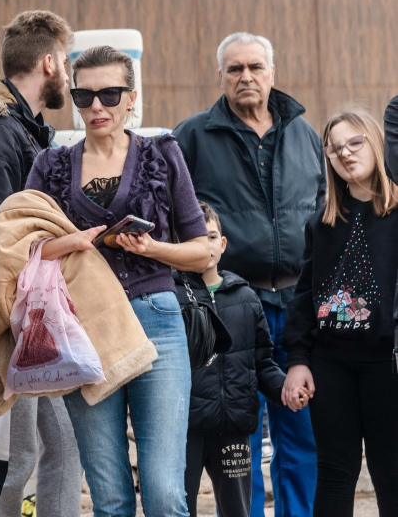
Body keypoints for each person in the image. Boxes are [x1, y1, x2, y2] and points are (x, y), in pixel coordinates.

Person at [25, 45, 211, 517]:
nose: (96, 107)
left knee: (167, 494)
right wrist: (77, 242)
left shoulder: (163, 153)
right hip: (82, 328)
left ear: (132, 97)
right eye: (83, 96)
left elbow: (202, 251)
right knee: (109, 500)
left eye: (109, 94)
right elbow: (22, 250)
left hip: (158, 323)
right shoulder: (50, 166)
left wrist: (152, 250)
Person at [173, 32, 323, 517]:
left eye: (255, 67)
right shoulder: (192, 136)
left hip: (300, 306)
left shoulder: (305, 134)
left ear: (272, 72)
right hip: (231, 310)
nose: (246, 77)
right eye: (235, 69)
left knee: (300, 430)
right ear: (221, 76)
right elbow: (177, 217)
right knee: (240, 439)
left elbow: (325, 214)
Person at [0, 11, 82, 517]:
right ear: (49, 63)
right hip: (11, 319)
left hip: (31, 315)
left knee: (61, 448)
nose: (67, 76)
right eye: (66, 64)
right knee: (11, 453)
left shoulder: (23, 132)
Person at [283, 108, 398, 516]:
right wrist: (298, 360)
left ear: (376, 141)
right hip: (332, 363)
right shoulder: (323, 222)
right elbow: (303, 297)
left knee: (391, 473)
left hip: (388, 363)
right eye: (334, 149)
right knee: (333, 472)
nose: (345, 154)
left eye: (354, 142)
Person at [178, 201, 286, 517]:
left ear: (222, 244)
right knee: (179, 506)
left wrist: (283, 389)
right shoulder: (170, 298)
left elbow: (263, 362)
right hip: (186, 429)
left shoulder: (246, 297)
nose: (205, 245)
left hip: (233, 426)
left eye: (211, 236)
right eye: (194, 237)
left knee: (238, 509)